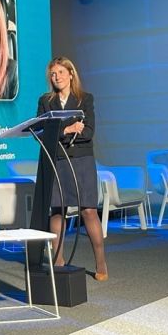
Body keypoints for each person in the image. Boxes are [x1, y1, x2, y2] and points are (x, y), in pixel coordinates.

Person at [37, 57, 108, 280]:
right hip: (56, 160)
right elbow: (40, 132)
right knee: (57, 210)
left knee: (88, 211)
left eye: (60, 72)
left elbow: (88, 132)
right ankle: (58, 260)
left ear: (70, 74)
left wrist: (62, 132)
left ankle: (101, 263)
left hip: (81, 161)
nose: (56, 77)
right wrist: (67, 130)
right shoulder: (45, 101)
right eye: (53, 74)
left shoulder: (85, 99)